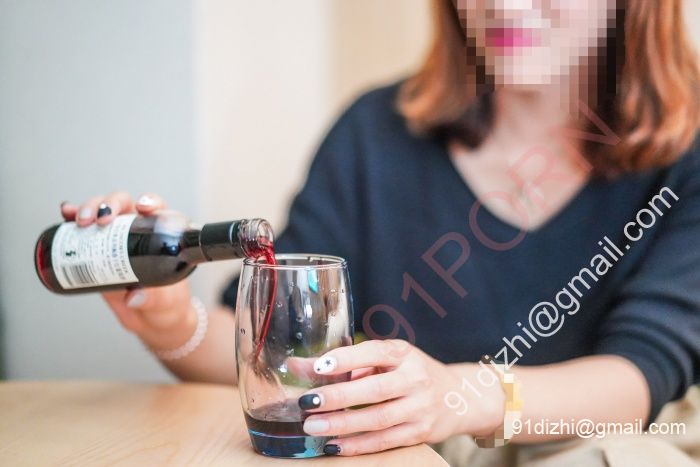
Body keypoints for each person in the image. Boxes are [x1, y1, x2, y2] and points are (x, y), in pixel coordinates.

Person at [59, 0, 700, 464]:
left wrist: (456, 397)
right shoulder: (374, 132)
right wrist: (170, 320)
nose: (505, 6)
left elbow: (640, 378)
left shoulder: (687, 157)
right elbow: (273, 356)